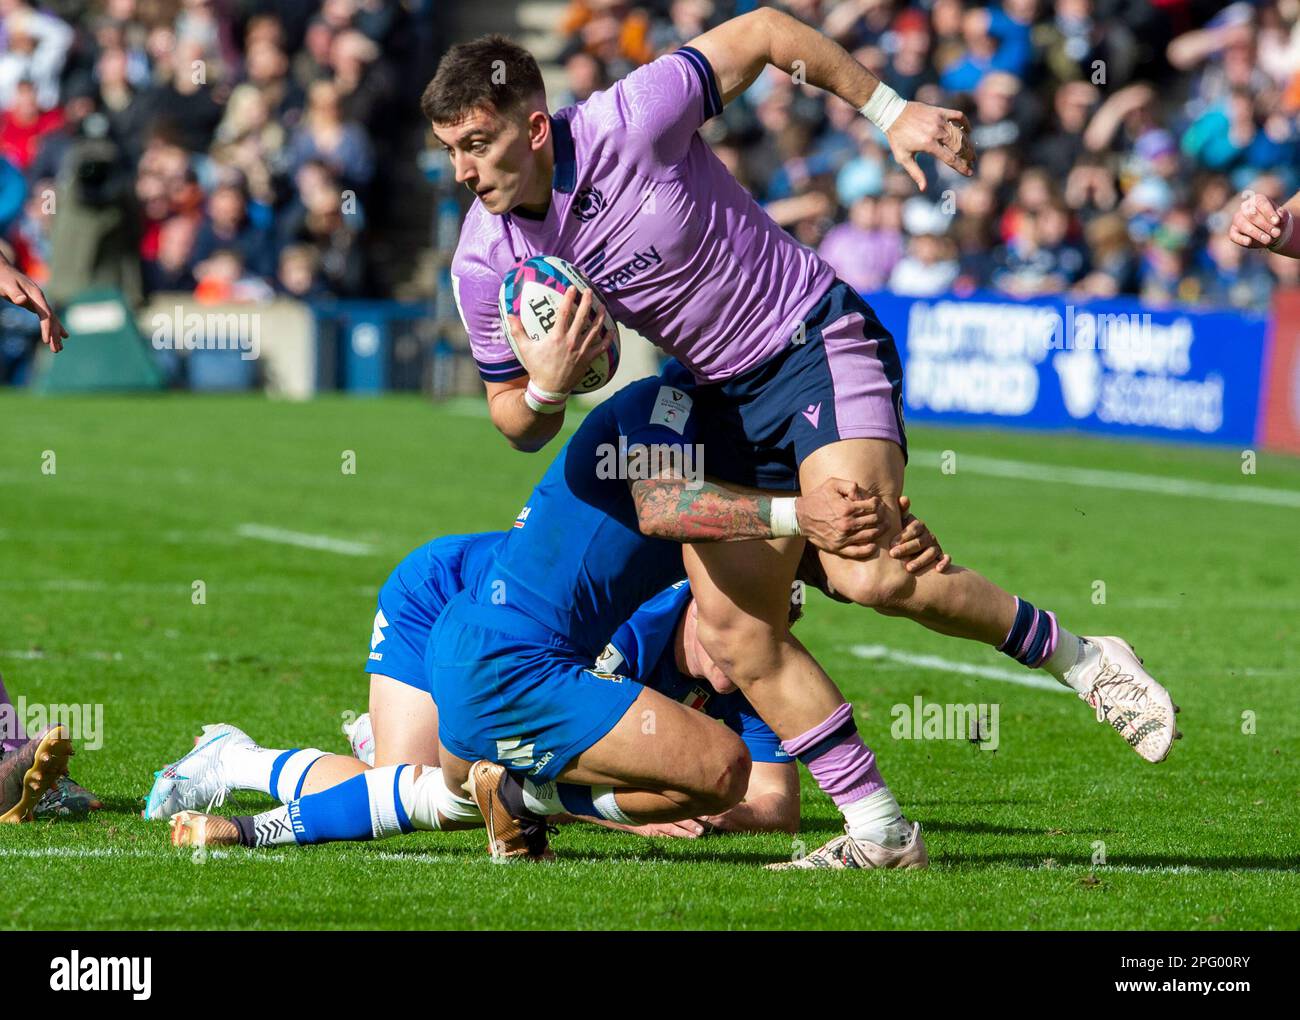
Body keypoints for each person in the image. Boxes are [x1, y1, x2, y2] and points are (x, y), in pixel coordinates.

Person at [429, 14, 1179, 869]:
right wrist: (548, 385)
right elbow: (513, 421)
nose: (463, 169)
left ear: (531, 128)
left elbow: (759, 33)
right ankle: (882, 833)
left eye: (477, 144)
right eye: (450, 149)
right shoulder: (484, 257)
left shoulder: (629, 118)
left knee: (873, 571)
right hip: (714, 398)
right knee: (738, 634)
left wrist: (888, 107)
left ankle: (1083, 658)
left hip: (811, 343)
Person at [156, 362, 941, 862]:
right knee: (714, 767)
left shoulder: (727, 471)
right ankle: (519, 797)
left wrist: (887, 548)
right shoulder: (665, 408)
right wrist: (799, 514)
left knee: (444, 793)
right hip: (480, 635)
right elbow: (665, 503)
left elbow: (824, 561)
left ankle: (262, 810)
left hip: (504, 656)